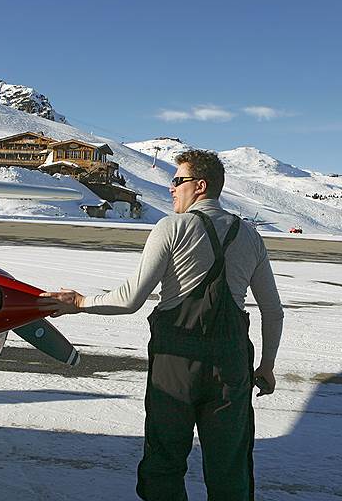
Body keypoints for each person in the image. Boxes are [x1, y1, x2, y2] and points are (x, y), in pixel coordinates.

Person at [38, 149, 284, 501]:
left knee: (164, 464)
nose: (171, 189)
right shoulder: (250, 236)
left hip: (175, 367)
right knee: (230, 469)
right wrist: (268, 366)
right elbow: (273, 311)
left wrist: (80, 303)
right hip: (231, 369)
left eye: (177, 181)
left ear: (200, 186)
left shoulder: (172, 227)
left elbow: (130, 299)